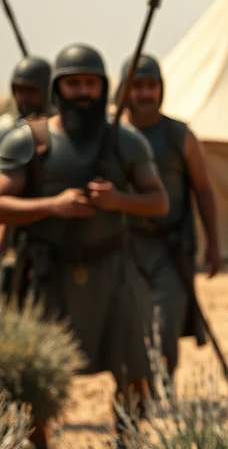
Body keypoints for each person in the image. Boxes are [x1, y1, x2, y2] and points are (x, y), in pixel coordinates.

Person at [0, 43, 168, 446]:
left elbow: (158, 201)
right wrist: (52, 206)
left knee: (135, 368)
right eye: (73, 84)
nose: (82, 92)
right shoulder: (30, 139)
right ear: (58, 88)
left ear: (103, 87)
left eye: (90, 83)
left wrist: (117, 201)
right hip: (47, 274)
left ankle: (126, 440)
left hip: (114, 270)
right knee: (33, 377)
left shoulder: (125, 141)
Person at [118, 54, 222, 384]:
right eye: (138, 86)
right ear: (125, 90)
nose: (145, 94)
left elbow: (204, 190)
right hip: (125, 248)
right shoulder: (113, 137)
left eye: (151, 86)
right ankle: (139, 394)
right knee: (131, 326)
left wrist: (214, 244)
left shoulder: (179, 136)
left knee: (167, 324)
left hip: (172, 247)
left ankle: (165, 388)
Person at [0, 56, 53, 292]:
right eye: (18, 91)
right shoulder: (12, 134)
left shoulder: (59, 135)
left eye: (31, 91)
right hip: (23, 240)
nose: (23, 98)